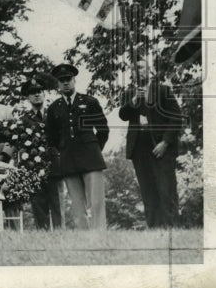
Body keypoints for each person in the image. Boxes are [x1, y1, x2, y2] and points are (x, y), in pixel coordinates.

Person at [118, 55, 182, 228]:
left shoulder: (163, 91)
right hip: (140, 149)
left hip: (161, 148)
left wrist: (166, 143)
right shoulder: (130, 93)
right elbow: (122, 115)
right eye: (134, 68)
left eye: (140, 67)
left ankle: (171, 231)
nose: (137, 71)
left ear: (149, 70)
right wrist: (132, 103)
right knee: (148, 191)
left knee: (166, 190)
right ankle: (154, 230)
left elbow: (177, 118)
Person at [45, 63, 109, 230]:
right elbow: (51, 138)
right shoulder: (54, 108)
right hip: (69, 160)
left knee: (96, 203)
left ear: (74, 80)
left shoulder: (89, 102)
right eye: (61, 80)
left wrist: (95, 148)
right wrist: (64, 150)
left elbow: (103, 130)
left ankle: (99, 238)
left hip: (91, 159)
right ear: (57, 84)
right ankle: (83, 239)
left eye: (68, 79)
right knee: (77, 206)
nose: (65, 83)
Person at [14, 77, 62, 230]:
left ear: (44, 94)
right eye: (32, 93)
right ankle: (43, 233)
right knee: (38, 203)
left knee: (57, 202)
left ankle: (61, 232)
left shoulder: (55, 114)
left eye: (39, 91)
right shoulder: (23, 120)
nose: (37, 95)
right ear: (27, 97)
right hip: (33, 167)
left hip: (54, 165)